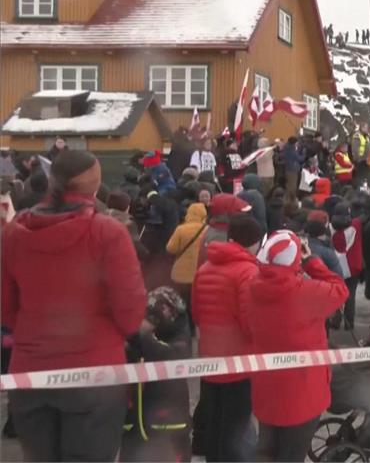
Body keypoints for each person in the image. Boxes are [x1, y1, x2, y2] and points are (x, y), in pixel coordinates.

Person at [2, 150, 147, 461]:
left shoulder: (14, 233)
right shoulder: (107, 233)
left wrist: (35, 329)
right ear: (95, 188)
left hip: (30, 371)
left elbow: (5, 306)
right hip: (94, 373)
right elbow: (130, 312)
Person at [246, 230, 349, 462]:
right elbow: (340, 289)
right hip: (303, 393)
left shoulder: (252, 288)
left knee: (266, 450)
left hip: (267, 387)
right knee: (292, 454)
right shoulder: (305, 293)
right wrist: (311, 262)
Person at [191, 214, 263, 461]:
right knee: (235, 425)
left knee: (214, 420)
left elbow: (197, 313)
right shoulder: (248, 272)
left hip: (210, 357)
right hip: (239, 363)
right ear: (252, 242)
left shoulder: (205, 268)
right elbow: (250, 323)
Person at [120, 287, 192, 462]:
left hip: (168, 425)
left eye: (151, 318)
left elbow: (171, 357)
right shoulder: (137, 339)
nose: (144, 323)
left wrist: (143, 338)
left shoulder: (178, 338)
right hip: (134, 424)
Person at [166, 202, 208, 318]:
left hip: (181, 274)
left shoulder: (181, 229)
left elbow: (170, 249)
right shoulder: (208, 230)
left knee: (182, 304)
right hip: (201, 273)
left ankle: (186, 327)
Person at [331, 203, 363, 329]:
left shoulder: (330, 227)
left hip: (336, 264)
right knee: (351, 294)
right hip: (352, 265)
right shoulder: (355, 226)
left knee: (336, 292)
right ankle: (349, 323)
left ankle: (336, 320)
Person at [350, 124, 370, 189]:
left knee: (365, 179)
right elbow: (355, 150)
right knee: (359, 179)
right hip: (359, 161)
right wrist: (358, 159)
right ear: (362, 128)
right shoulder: (357, 136)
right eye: (366, 128)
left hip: (366, 162)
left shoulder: (367, 137)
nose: (367, 129)